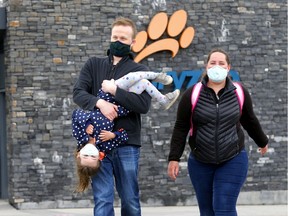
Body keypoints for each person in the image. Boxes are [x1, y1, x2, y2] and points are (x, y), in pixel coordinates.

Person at [73, 16, 178, 216]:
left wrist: (115, 92)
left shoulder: (139, 70)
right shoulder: (93, 64)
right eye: (115, 37)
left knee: (130, 199)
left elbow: (143, 105)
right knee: (102, 201)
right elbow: (78, 93)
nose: (118, 41)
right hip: (98, 145)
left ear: (133, 42)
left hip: (127, 144)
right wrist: (100, 103)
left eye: (123, 38)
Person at [167, 48, 269, 216]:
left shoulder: (239, 92)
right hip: (200, 161)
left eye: (221, 63)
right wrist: (174, 158)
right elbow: (181, 127)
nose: (217, 66)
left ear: (228, 67)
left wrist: (262, 141)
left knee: (224, 208)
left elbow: (249, 120)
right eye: (213, 63)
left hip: (233, 158)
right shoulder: (192, 94)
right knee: (207, 211)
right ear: (206, 67)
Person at [72, 72, 179, 192]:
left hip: (105, 96)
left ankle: (156, 76)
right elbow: (123, 136)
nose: (90, 153)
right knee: (143, 83)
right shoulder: (105, 145)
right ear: (99, 157)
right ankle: (163, 100)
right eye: (93, 157)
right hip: (121, 106)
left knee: (132, 76)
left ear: (79, 154)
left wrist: (87, 124)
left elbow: (76, 113)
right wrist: (113, 135)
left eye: (86, 155)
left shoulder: (81, 135)